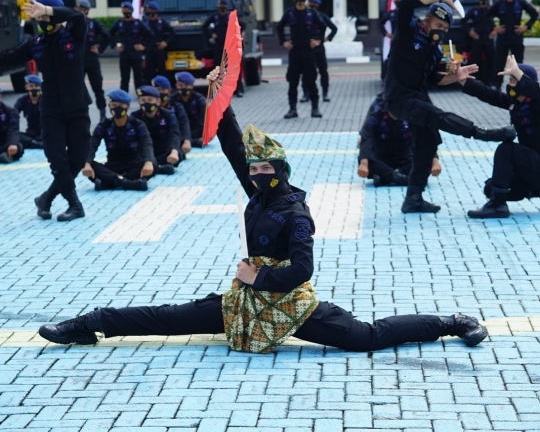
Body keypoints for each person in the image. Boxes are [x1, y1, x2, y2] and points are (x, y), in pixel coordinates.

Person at [38, 69, 489, 351]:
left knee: (363, 338)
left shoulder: (294, 212)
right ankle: (89, 324)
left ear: (280, 170)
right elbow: (235, 147)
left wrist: (260, 277)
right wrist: (220, 98)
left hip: (288, 303)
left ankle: (448, 322)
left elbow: (303, 270)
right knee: (170, 317)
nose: (254, 173)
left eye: (263, 169)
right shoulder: (257, 191)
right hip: (244, 301)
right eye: (252, 169)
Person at [384, 0, 517, 214]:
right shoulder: (408, 32)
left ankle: (413, 198)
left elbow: (435, 79)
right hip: (399, 96)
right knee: (438, 116)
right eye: (438, 26)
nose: (441, 32)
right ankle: (480, 132)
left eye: (445, 29)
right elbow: (407, 3)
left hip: (418, 96)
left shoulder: (434, 50)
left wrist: (456, 76)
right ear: (427, 21)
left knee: (427, 144)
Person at [0, 0, 91, 221]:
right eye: (38, 14)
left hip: (78, 106)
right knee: (58, 160)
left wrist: (48, 9)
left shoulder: (74, 34)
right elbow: (8, 59)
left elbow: (77, 16)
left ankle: (46, 199)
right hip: (51, 111)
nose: (43, 19)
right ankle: (75, 205)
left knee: (78, 159)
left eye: (45, 13)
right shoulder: (35, 45)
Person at [461, 56, 540, 218]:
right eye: (509, 79)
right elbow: (491, 95)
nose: (509, 84)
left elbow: (535, 90)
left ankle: (498, 206)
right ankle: (527, 191)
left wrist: (518, 72)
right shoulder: (516, 103)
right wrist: (464, 81)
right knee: (491, 188)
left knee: (506, 149)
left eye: (513, 79)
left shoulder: (536, 102)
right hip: (533, 164)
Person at [357, 94, 442, 186]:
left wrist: (434, 160)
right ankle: (400, 178)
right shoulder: (376, 114)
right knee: (369, 162)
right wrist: (364, 163)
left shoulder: (412, 114)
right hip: (383, 157)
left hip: (405, 157)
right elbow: (367, 136)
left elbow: (425, 137)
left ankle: (389, 176)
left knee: (424, 161)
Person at [82, 89, 156, 191]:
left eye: (121, 106)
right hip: (112, 167)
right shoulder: (104, 125)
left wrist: (148, 161)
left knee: (153, 164)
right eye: (114, 105)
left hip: (133, 166)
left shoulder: (138, 125)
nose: (117, 108)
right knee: (87, 165)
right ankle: (129, 183)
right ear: (109, 107)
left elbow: (146, 144)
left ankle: (109, 183)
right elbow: (92, 144)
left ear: (128, 106)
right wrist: (87, 162)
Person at [277, 0, 327, 119]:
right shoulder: (289, 13)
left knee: (311, 81)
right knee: (292, 82)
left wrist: (319, 41)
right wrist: (284, 42)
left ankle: (315, 109)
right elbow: (279, 27)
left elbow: (323, 26)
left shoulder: (312, 13)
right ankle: (292, 109)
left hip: (309, 53)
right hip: (294, 53)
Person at [488, 0, 538, 90]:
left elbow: (534, 14)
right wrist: (495, 28)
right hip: (503, 38)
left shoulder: (520, 3)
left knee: (518, 65)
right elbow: (487, 14)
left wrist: (526, 26)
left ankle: (519, 87)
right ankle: (497, 87)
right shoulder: (499, 3)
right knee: (499, 64)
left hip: (516, 38)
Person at [130, 85, 181, 175]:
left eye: (150, 100)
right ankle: (158, 168)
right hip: (144, 152)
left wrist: (174, 151)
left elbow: (174, 134)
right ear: (139, 102)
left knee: (178, 154)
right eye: (143, 100)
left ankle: (156, 166)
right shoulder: (135, 117)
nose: (146, 103)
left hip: (163, 151)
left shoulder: (168, 115)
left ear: (158, 101)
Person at [74, 0, 110, 122]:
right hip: (77, 62)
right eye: (77, 8)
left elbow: (107, 37)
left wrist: (100, 49)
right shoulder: (71, 24)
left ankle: (103, 114)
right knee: (77, 89)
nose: (77, 10)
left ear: (86, 10)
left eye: (80, 8)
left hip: (92, 61)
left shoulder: (93, 24)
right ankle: (78, 114)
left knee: (97, 89)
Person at [202, 0, 246, 97]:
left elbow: (243, 25)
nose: (221, 7)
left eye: (223, 6)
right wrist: (211, 34)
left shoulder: (231, 16)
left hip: (230, 46)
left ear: (226, 7)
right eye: (220, 5)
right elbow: (204, 27)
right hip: (218, 46)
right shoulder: (215, 17)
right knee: (218, 69)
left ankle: (238, 90)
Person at [109, 1, 154, 93]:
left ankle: (141, 95)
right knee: (124, 78)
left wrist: (144, 46)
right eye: (123, 9)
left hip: (136, 54)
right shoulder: (119, 23)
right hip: (124, 54)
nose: (125, 11)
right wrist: (114, 45)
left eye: (127, 9)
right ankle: (123, 96)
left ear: (131, 10)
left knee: (139, 77)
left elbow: (151, 35)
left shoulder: (138, 23)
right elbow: (109, 35)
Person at [299, 0, 337, 103]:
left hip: (319, 48)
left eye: (312, 3)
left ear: (317, 5)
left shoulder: (322, 16)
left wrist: (326, 39)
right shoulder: (304, 16)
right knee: (306, 71)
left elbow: (334, 29)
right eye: (309, 2)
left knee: (323, 71)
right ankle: (306, 94)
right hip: (307, 47)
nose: (310, 5)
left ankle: (325, 93)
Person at [462, 0, 496, 87]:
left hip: (488, 39)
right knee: (475, 61)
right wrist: (469, 32)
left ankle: (490, 82)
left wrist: (495, 31)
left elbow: (503, 20)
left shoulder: (492, 10)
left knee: (491, 61)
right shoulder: (474, 11)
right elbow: (463, 21)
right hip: (477, 40)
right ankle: (475, 81)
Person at [151, 75, 192, 155]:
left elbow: (184, 124)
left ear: (169, 91)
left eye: (161, 90)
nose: (158, 93)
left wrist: (187, 140)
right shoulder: (147, 108)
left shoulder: (176, 106)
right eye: (156, 90)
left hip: (171, 139)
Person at [172, 71, 206, 147]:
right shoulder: (172, 99)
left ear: (191, 86)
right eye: (180, 85)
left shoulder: (199, 99)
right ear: (176, 85)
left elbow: (205, 119)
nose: (183, 88)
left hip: (195, 129)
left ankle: (186, 141)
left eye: (186, 85)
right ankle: (193, 142)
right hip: (180, 128)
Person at [143, 1, 174, 84]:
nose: (148, 11)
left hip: (159, 49)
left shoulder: (162, 22)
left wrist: (166, 42)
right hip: (149, 49)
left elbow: (172, 32)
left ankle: (162, 87)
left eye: (149, 9)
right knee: (149, 70)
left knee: (162, 70)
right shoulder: (145, 23)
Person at [380, 0, 405, 81]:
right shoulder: (391, 13)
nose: (396, 0)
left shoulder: (408, 13)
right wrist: (387, 34)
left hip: (405, 41)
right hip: (395, 40)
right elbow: (380, 23)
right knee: (391, 60)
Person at [14, 74, 43, 149]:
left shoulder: (45, 100)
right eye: (31, 86)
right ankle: (35, 143)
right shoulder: (23, 100)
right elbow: (13, 113)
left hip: (44, 131)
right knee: (15, 136)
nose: (34, 89)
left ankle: (33, 143)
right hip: (30, 133)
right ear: (26, 87)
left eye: (36, 86)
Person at [0, 88, 24, 164]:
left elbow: (13, 129)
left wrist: (12, 143)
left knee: (18, 148)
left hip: (4, 141)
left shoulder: (10, 111)